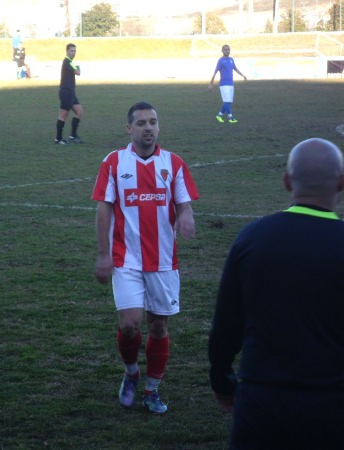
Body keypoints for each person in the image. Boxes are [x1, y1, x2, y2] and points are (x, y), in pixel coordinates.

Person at [208, 138, 344, 449]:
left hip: (261, 401)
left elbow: (227, 323)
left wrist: (222, 378)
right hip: (332, 404)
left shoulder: (253, 237)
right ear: (341, 182)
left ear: (287, 182)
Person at [92, 101, 199, 413]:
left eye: (153, 122)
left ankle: (152, 389)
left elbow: (184, 204)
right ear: (130, 129)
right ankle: (131, 373)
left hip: (163, 260)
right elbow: (103, 208)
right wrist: (103, 254)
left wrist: (186, 215)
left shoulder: (174, 163)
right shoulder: (113, 162)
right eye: (141, 123)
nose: (148, 128)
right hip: (125, 259)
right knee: (129, 325)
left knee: (158, 327)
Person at [208, 44, 247, 124]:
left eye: (228, 49)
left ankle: (219, 115)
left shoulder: (231, 60)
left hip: (231, 83)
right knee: (226, 101)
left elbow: (235, 69)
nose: (227, 51)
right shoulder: (220, 61)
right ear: (222, 51)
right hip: (224, 84)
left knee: (228, 102)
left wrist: (243, 75)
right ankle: (230, 118)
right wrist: (211, 83)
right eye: (225, 49)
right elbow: (215, 72)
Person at [55, 43, 83, 145]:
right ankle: (58, 139)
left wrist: (77, 67)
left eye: (74, 51)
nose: (73, 53)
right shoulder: (67, 61)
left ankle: (73, 135)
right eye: (71, 51)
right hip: (66, 92)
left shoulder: (70, 62)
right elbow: (78, 72)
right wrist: (78, 67)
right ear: (67, 51)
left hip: (71, 92)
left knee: (79, 111)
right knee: (63, 115)